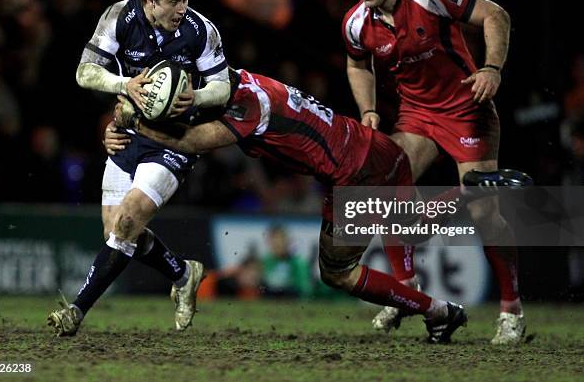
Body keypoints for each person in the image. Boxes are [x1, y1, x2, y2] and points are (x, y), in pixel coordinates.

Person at [110, 67, 470, 344]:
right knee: (407, 224)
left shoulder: (248, 106)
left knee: (338, 271)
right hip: (375, 149)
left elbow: (191, 141)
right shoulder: (243, 80)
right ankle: (465, 197)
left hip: (356, 174)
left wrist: (135, 122)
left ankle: (439, 310)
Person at [342, 0, 524, 344]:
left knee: (484, 213)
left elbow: (497, 16)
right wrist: (368, 109)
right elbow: (357, 66)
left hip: (466, 109)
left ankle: (511, 310)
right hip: (417, 116)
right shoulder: (356, 22)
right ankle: (408, 293)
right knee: (384, 189)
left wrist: (492, 68)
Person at [47, 0, 231, 336]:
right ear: (150, 0)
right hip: (128, 133)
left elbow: (223, 86)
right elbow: (85, 71)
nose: (184, 8)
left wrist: (195, 97)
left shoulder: (201, 30)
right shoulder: (120, 16)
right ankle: (183, 273)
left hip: (177, 140)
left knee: (128, 221)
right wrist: (122, 85)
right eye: (175, 0)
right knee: (117, 231)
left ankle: (76, 312)